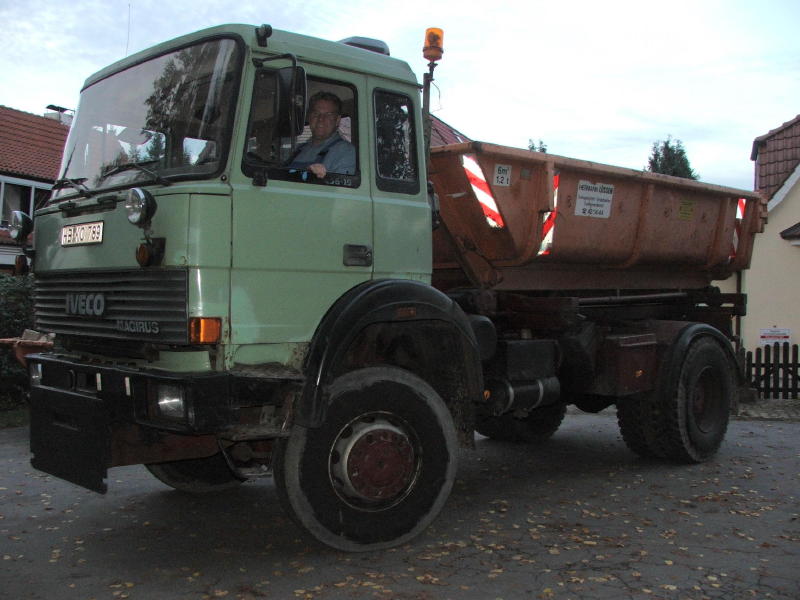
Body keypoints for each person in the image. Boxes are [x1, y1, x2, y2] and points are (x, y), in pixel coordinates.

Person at [289, 91, 356, 178]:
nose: (321, 119)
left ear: (337, 120)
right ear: (309, 117)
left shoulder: (346, 151)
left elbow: (342, 189)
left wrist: (316, 177)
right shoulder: (299, 150)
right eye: (316, 113)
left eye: (328, 115)